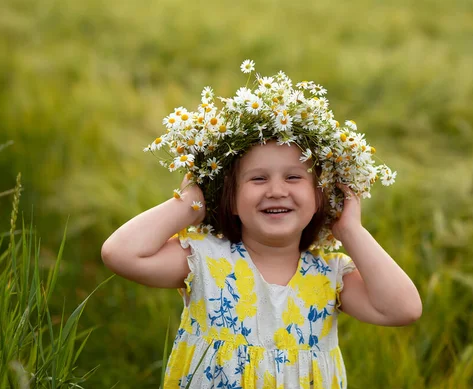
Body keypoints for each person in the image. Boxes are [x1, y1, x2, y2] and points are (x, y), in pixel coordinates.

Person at [101, 61, 422, 389]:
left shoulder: (330, 276)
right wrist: (189, 205)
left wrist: (351, 230)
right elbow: (120, 254)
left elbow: (403, 309)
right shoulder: (207, 261)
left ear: (319, 195)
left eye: (294, 177)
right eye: (258, 179)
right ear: (231, 198)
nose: (276, 190)